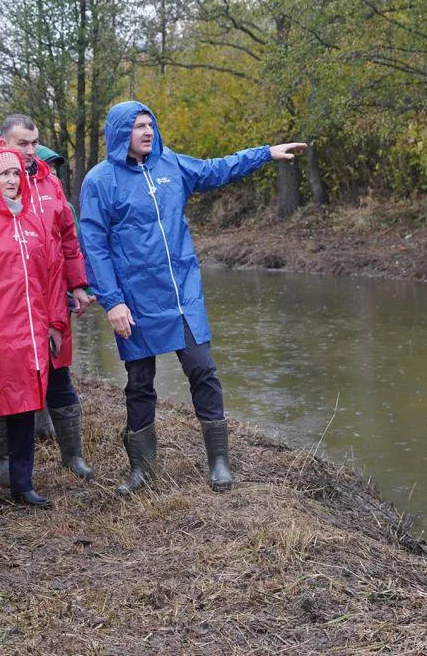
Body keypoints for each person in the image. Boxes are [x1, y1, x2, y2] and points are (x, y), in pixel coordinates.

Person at [78, 101, 305, 494]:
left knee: (202, 369)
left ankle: (219, 461)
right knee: (139, 381)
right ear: (119, 133)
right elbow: (94, 245)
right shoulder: (100, 181)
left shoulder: (172, 165)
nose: (147, 132)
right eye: (137, 127)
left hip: (181, 293)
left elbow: (219, 169)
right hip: (134, 298)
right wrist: (112, 301)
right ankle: (142, 469)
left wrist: (265, 154)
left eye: (150, 124)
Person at [0, 115, 96, 479]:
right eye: (23, 143)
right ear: (4, 143)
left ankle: (73, 456)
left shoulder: (49, 181)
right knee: (9, 382)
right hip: (8, 301)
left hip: (51, 295)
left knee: (59, 375)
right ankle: (1, 464)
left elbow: (69, 240)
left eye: (35, 142)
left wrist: (78, 285)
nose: (31, 151)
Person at [0, 147, 67, 512]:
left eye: (16, 174)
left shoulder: (32, 221)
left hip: (30, 333)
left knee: (25, 409)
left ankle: (23, 484)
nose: (11, 181)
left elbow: (52, 275)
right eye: (4, 174)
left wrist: (55, 323)